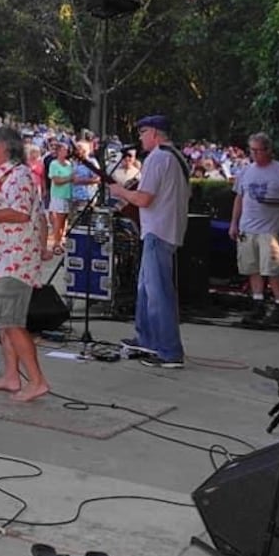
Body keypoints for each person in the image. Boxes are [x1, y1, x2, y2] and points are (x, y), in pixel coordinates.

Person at [0, 125, 50, 401]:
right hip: (2, 258)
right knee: (4, 322)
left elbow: (20, 214)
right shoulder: (5, 177)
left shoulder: (20, 177)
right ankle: (12, 376)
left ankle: (37, 380)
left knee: (12, 322)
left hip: (16, 260)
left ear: (4, 147)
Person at [107, 115, 191, 369]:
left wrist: (119, 190)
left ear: (154, 132)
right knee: (146, 289)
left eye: (142, 132)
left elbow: (144, 199)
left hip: (158, 231)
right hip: (163, 229)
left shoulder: (157, 157)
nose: (140, 138)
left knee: (158, 294)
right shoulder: (176, 157)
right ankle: (146, 339)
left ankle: (168, 351)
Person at [229, 133, 279, 327]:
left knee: (272, 268)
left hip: (270, 227)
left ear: (269, 150)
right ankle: (257, 301)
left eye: (259, 150)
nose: (256, 154)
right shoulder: (246, 171)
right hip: (247, 226)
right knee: (252, 266)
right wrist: (234, 222)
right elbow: (239, 197)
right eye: (253, 150)